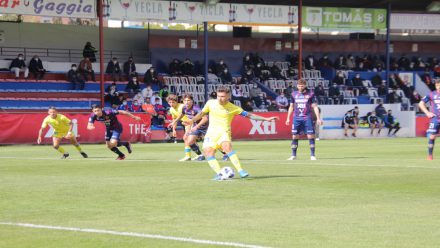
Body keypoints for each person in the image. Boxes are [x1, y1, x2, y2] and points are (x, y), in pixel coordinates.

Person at [186, 86, 279, 180]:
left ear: (228, 97)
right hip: (211, 133)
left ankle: (241, 171)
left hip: (224, 132)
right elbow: (202, 113)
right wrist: (192, 120)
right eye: (218, 96)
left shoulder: (233, 108)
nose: (220, 98)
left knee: (227, 147)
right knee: (208, 152)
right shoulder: (210, 103)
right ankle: (219, 174)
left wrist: (266, 119)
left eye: (222, 96)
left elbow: (250, 115)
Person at [285, 79, 323, 161]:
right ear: (297, 86)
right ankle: (293, 155)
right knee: (295, 136)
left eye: (302, 86)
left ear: (305, 85)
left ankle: (312, 155)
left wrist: (318, 118)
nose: (300, 87)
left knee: (310, 136)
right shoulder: (293, 94)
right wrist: (288, 118)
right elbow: (291, 107)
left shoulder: (310, 94)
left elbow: (315, 107)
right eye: (299, 86)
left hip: (307, 118)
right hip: (296, 118)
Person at [172, 94, 207, 161]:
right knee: (189, 141)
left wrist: (196, 126)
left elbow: (205, 118)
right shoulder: (184, 108)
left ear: (192, 101)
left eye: (188, 100)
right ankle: (200, 155)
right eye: (185, 100)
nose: (186, 102)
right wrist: (175, 121)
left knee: (213, 143)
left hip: (205, 127)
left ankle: (225, 154)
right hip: (195, 127)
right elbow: (182, 114)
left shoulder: (196, 108)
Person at [419, 79, 440, 160]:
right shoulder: (431, 94)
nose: (438, 87)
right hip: (435, 119)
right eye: (437, 85)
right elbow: (421, 103)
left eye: (439, 85)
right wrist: (427, 113)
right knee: (431, 137)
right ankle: (430, 155)